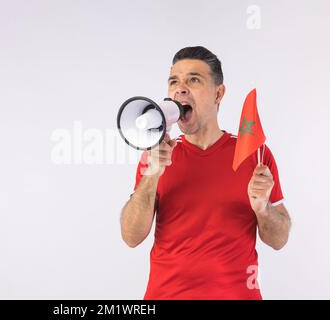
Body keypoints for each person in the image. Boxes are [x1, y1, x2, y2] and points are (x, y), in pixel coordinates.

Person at [120, 46, 291, 300]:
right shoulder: (157, 154)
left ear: (218, 93)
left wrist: (263, 208)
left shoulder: (253, 154)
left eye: (194, 80)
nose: (180, 88)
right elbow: (131, 237)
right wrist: (152, 174)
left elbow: (278, 240)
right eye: (173, 81)